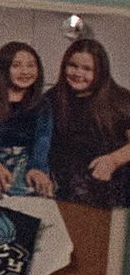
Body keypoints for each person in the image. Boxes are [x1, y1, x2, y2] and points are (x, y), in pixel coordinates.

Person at [47, 34, 130, 207]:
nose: (78, 73)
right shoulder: (50, 99)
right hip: (65, 193)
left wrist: (113, 160)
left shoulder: (121, 100)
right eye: (72, 66)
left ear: (100, 71)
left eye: (87, 69)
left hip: (113, 194)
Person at [0, 41, 56, 196]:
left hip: (29, 161)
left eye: (31, 65)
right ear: (3, 69)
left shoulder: (42, 104)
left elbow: (43, 138)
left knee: (36, 191)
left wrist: (37, 167)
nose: (25, 71)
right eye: (16, 66)